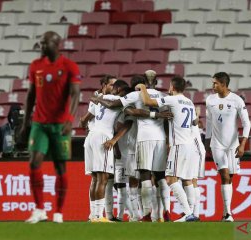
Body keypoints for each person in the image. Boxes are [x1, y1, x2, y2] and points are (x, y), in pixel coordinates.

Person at [94, 72, 171, 222]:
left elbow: (117, 105)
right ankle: (163, 212)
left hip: (144, 138)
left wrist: (97, 98)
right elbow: (168, 119)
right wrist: (168, 140)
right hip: (161, 138)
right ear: (156, 81)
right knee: (160, 176)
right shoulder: (163, 96)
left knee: (144, 175)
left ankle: (147, 213)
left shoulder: (136, 95)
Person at [21, 31, 81, 223]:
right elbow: (30, 95)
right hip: (40, 123)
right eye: (41, 43)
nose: (42, 46)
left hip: (60, 125)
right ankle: (39, 210)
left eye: (45, 43)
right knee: (34, 161)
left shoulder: (69, 66)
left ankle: (58, 212)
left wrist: (70, 120)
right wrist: (25, 123)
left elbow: (75, 94)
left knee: (60, 166)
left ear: (56, 44)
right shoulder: (36, 66)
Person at [136, 75, 198, 222]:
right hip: (189, 144)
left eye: (170, 86)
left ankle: (188, 213)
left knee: (170, 178)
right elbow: (195, 121)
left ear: (173, 87)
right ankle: (191, 212)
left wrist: (144, 87)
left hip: (179, 145)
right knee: (186, 179)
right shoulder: (189, 102)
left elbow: (147, 101)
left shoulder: (172, 99)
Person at [205, 72, 251, 222]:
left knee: (229, 178)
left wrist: (243, 144)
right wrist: (207, 141)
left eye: (215, 83)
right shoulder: (210, 100)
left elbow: (246, 123)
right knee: (224, 175)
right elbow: (209, 121)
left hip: (233, 145)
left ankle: (226, 213)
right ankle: (228, 213)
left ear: (224, 84)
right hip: (217, 144)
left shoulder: (237, 100)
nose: (213, 86)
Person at [79, 75, 117, 221]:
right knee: (102, 178)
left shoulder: (97, 99)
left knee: (95, 179)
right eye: (111, 85)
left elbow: (84, 120)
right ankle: (99, 216)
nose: (114, 87)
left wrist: (83, 121)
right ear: (104, 85)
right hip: (102, 137)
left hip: (91, 137)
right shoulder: (113, 99)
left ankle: (93, 215)